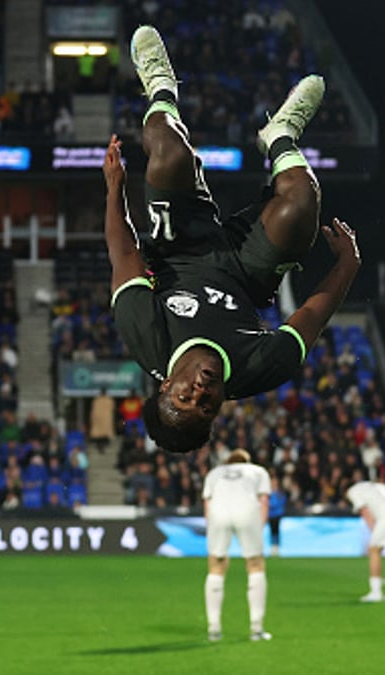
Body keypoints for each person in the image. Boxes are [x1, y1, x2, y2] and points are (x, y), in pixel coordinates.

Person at [104, 25, 361, 454]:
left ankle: (161, 86)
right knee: (301, 203)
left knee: (168, 152)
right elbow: (312, 316)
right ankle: (280, 135)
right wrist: (348, 265)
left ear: (165, 385)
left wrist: (114, 191)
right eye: (205, 407)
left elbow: (124, 252)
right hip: (247, 273)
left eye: (184, 398)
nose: (199, 393)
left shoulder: (147, 341)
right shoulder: (256, 372)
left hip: (179, 248)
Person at [202, 448, 272, 642]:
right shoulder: (257, 471)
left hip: (218, 513)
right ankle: (256, 628)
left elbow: (207, 504)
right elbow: (263, 501)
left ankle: (214, 628)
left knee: (216, 566)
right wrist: (259, 527)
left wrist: (212, 527)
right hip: (247, 512)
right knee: (255, 565)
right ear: (246, 461)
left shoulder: (214, 473)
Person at [88, 388, 116, 453]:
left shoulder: (97, 400)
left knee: (101, 433)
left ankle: (101, 445)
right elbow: (113, 409)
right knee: (102, 433)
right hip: (103, 419)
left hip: (101, 419)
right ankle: (101, 445)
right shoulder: (108, 400)